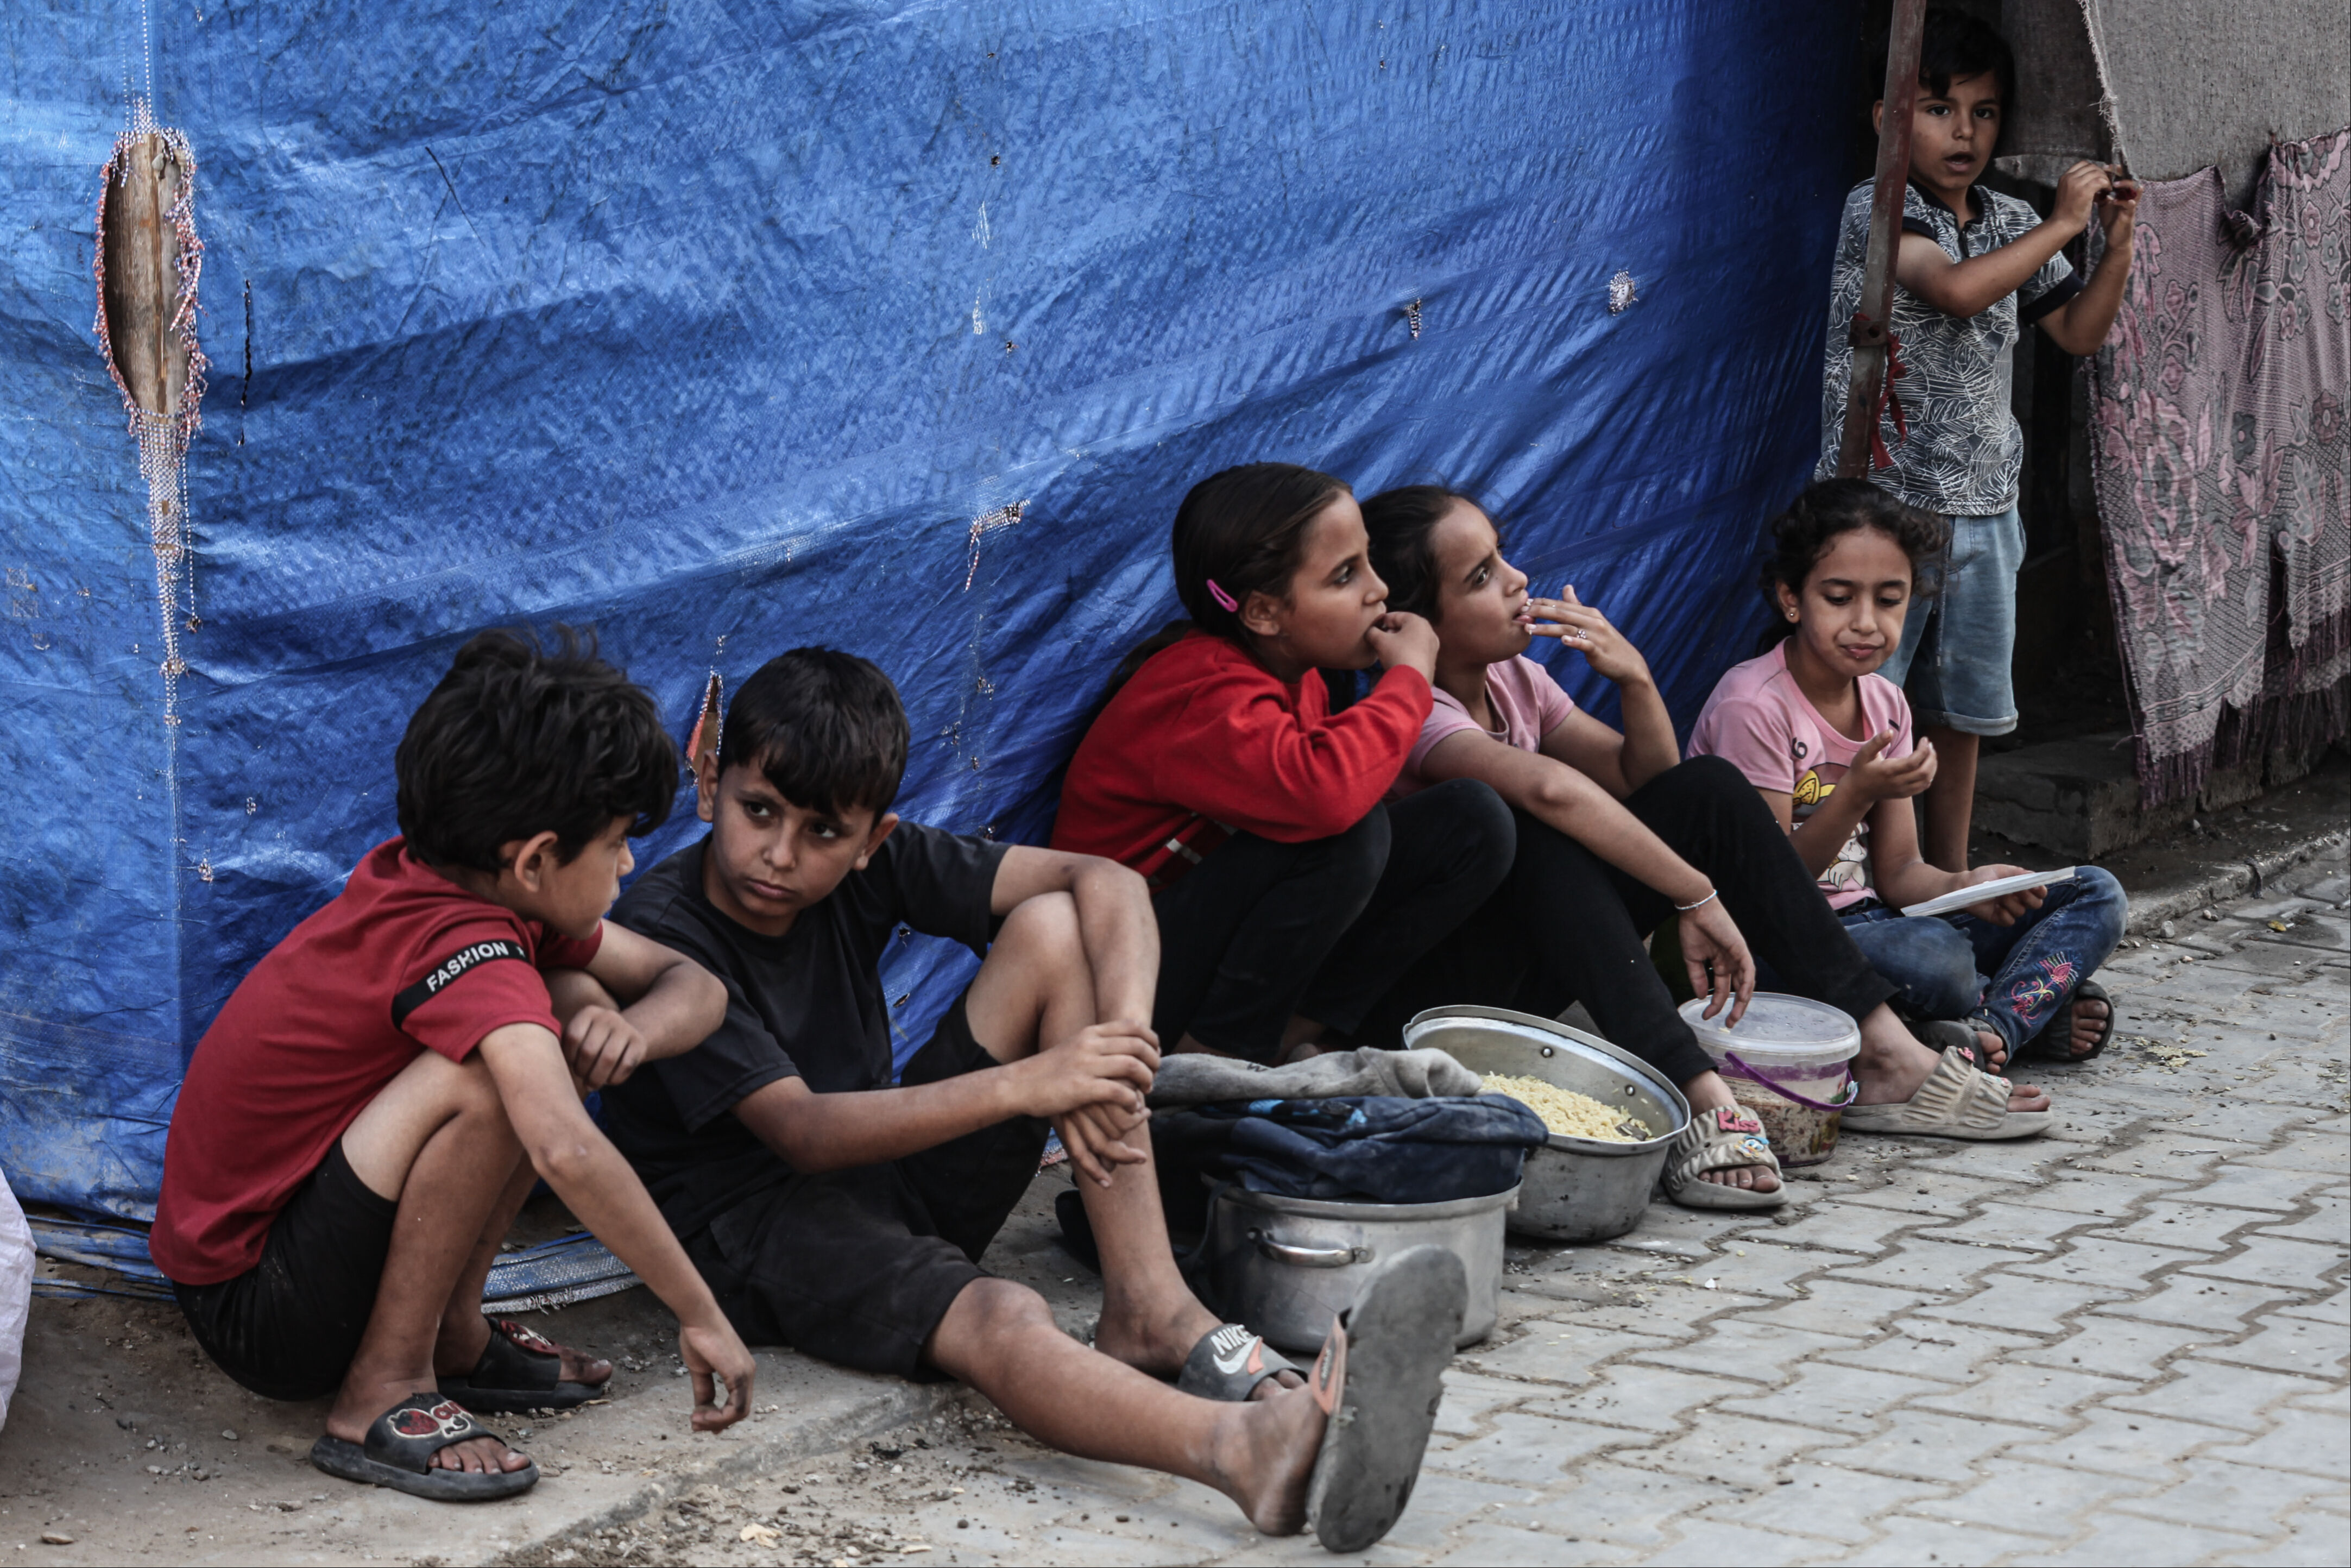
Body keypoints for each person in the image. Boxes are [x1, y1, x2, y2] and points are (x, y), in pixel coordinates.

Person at [601, 647, 1463, 1553]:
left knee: (1054, 927)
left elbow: (1108, 883)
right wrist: (1034, 1081)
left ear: (870, 841)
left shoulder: (870, 864)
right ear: (710, 785)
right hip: (760, 1237)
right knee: (1002, 1313)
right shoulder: (665, 930)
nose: (778, 854)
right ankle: (1242, 1450)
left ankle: (1150, 1305)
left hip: (888, 1175)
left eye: (820, 832)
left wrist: (1117, 1051)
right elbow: (802, 1131)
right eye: (758, 812)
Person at [150, 629, 757, 1503]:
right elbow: (566, 1149)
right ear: (537, 858)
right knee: (496, 1067)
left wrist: (635, 1033)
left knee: (570, 998)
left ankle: (455, 1335)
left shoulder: (468, 889)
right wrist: (700, 1313)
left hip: (298, 1244)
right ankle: (383, 1387)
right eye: (620, 841)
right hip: (258, 1303)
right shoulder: (465, 942)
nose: (629, 861)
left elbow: (691, 982)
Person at [1356, 486, 2054, 1183]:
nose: (1515, 580)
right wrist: (1693, 894)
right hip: (1445, 994)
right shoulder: (1417, 714)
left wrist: (1635, 679)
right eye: (1481, 577)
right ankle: (1700, 1095)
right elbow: (1552, 790)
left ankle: (1885, 1052)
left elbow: (1658, 787)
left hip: (1539, 956)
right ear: (1420, 624)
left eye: (1503, 557)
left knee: (1711, 787)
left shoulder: (1518, 679)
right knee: (1541, 834)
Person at [1051, 461, 1515, 1063]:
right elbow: (1327, 797)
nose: (1378, 589)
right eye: (1346, 575)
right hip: (1114, 977)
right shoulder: (1202, 695)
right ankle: (1202, 1068)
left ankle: (1290, 1037)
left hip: (1200, 953)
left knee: (1472, 821)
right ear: (1264, 614)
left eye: (1368, 561)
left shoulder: (1305, 678)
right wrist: (1407, 680)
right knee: (1347, 831)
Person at [1818, 7, 2139, 871]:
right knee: (1864, 702)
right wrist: (2064, 226)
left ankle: (1946, 873)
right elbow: (1955, 291)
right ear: (1889, 119)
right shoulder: (1880, 209)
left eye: (1984, 112)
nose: (1964, 132)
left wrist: (2110, 250)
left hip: (1985, 507)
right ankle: (1856, 875)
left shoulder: (2004, 217)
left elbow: (2074, 332)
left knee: (1959, 716)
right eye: (1938, 109)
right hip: (1885, 510)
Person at [1690, 478, 2125, 1068]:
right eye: (1840, 598)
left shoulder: (1885, 703)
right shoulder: (1755, 706)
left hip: (1882, 923)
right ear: (1791, 598)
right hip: (1777, 943)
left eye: (1889, 599)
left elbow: (1898, 872)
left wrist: (1967, 885)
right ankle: (2018, 1008)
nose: (1867, 623)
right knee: (1936, 960)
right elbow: (1771, 893)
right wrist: (1855, 794)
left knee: (2094, 891)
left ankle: (1991, 1027)